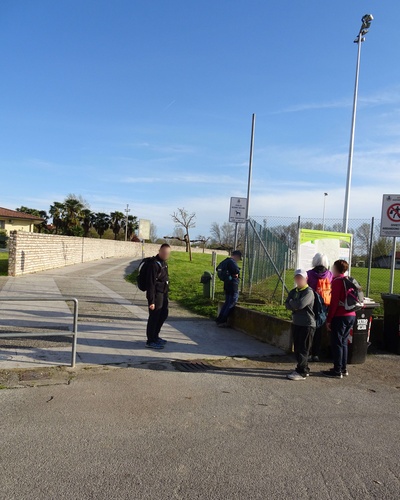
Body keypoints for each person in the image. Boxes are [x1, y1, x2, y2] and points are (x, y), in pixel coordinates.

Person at [322, 259, 356, 379]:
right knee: (344, 343)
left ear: (336, 269)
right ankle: (343, 368)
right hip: (351, 314)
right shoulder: (348, 280)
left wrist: (329, 319)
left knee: (337, 343)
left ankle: (337, 370)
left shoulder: (337, 282)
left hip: (340, 316)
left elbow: (334, 302)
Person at [285, 269, 316, 381]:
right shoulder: (294, 291)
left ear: (306, 279)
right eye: (297, 278)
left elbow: (300, 305)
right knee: (297, 347)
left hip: (307, 324)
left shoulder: (309, 292)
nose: (299, 280)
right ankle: (303, 368)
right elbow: (286, 304)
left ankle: (302, 371)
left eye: (301, 278)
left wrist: (293, 303)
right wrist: (293, 303)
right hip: (297, 322)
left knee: (303, 348)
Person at [307, 253, 333, 361]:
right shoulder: (330, 275)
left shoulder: (309, 274)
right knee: (319, 330)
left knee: (309, 329)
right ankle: (316, 354)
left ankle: (307, 353)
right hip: (324, 306)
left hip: (311, 304)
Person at [145, 243, 171, 349]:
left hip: (163, 293)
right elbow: (150, 284)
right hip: (156, 294)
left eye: (168, 253)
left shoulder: (164, 263)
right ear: (159, 251)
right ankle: (150, 340)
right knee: (154, 317)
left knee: (163, 314)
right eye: (164, 252)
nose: (166, 254)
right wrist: (151, 301)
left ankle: (156, 336)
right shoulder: (153, 264)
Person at [216, 250, 242, 327]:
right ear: (237, 256)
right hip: (233, 284)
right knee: (232, 302)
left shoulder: (225, 261)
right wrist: (237, 272)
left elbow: (218, 268)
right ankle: (223, 321)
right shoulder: (232, 262)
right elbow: (236, 270)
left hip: (227, 283)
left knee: (227, 302)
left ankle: (219, 319)